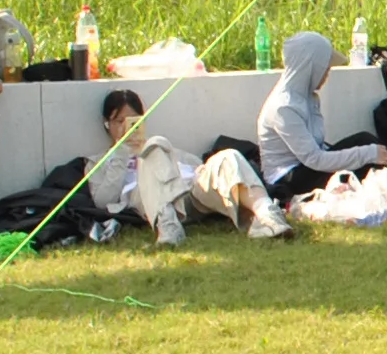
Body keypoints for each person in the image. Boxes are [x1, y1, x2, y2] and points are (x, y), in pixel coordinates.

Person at [91, 89, 291, 244]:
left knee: (230, 156)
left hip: (190, 194)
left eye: (133, 121)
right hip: (156, 203)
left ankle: (267, 215)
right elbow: (102, 201)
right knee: (153, 147)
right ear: (107, 124)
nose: (127, 128)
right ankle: (168, 226)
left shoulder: (166, 150)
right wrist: (120, 153)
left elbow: (199, 169)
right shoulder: (98, 162)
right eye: (119, 122)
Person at [255, 32, 387, 203]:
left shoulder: (308, 98)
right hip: (289, 180)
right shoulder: (284, 106)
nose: (327, 75)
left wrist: (367, 153)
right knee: (366, 147)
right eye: (325, 69)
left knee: (364, 141)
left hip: (310, 167)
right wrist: (367, 153)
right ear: (310, 68)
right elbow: (314, 159)